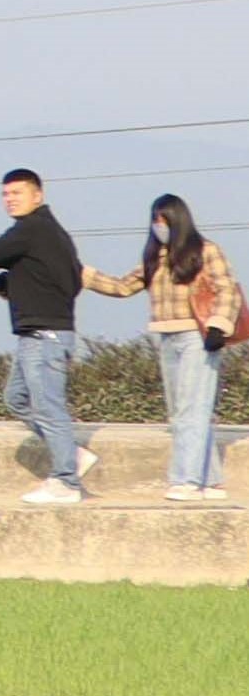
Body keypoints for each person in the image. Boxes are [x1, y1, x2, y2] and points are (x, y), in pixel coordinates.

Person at [87, 193, 237, 501]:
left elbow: (228, 290)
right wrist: (85, 276)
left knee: (192, 409)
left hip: (199, 336)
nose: (159, 226)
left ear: (178, 219)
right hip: (166, 337)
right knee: (182, 411)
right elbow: (122, 286)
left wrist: (219, 325)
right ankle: (209, 480)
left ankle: (186, 480)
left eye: (164, 219)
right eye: (155, 220)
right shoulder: (155, 257)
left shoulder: (206, 251)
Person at [0, 171, 90, 502]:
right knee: (16, 397)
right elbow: (66, 281)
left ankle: (66, 480)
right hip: (37, 331)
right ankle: (68, 453)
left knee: (47, 407)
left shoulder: (32, 228)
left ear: (37, 196)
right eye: (5, 194)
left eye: (17, 192)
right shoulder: (51, 234)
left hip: (46, 334)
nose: (10, 199)